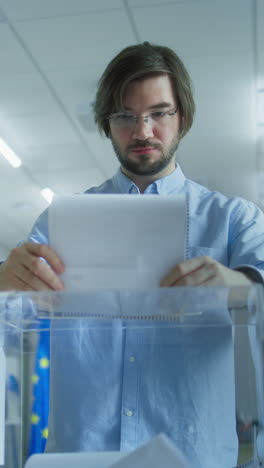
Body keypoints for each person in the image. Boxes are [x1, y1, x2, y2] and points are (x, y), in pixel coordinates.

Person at [0, 42, 264, 467]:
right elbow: (13, 318)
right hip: (83, 458)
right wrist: (3, 279)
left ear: (184, 116)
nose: (143, 132)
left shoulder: (235, 221)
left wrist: (240, 285)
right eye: (125, 116)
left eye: (159, 113)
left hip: (193, 457)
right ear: (107, 122)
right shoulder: (58, 222)